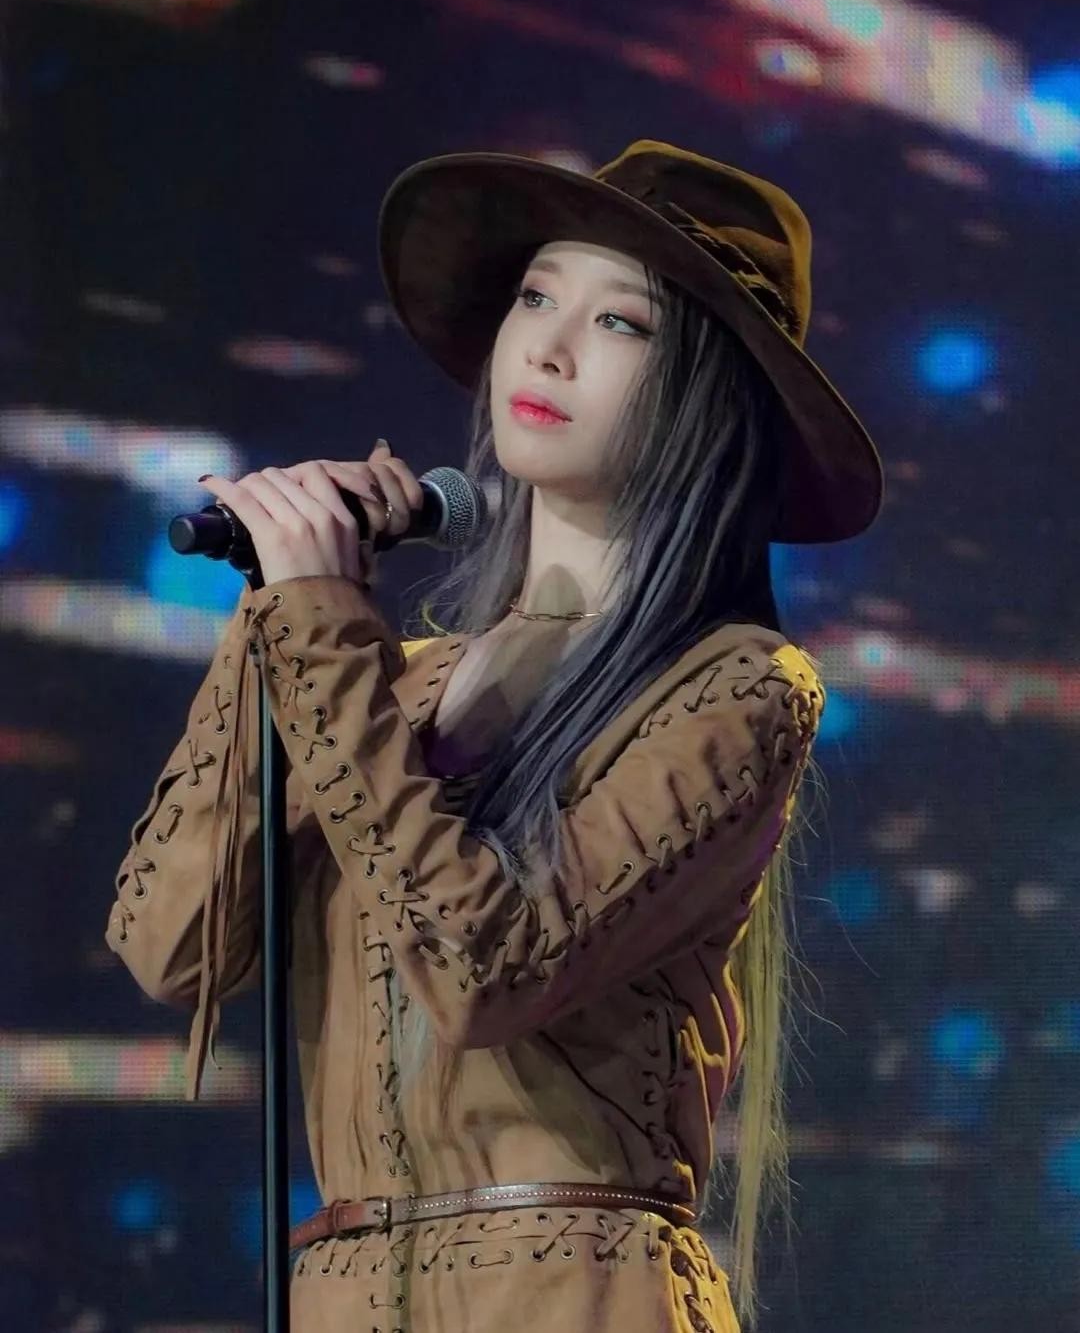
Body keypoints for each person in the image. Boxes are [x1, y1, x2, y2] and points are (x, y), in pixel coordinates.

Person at [106, 139, 883, 1332]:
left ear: (710, 394)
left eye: (619, 322)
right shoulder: (391, 683)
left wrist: (319, 626)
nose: (548, 347)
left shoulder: (737, 689)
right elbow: (171, 947)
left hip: (575, 1295)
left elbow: (487, 968)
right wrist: (280, 611)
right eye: (535, 297)